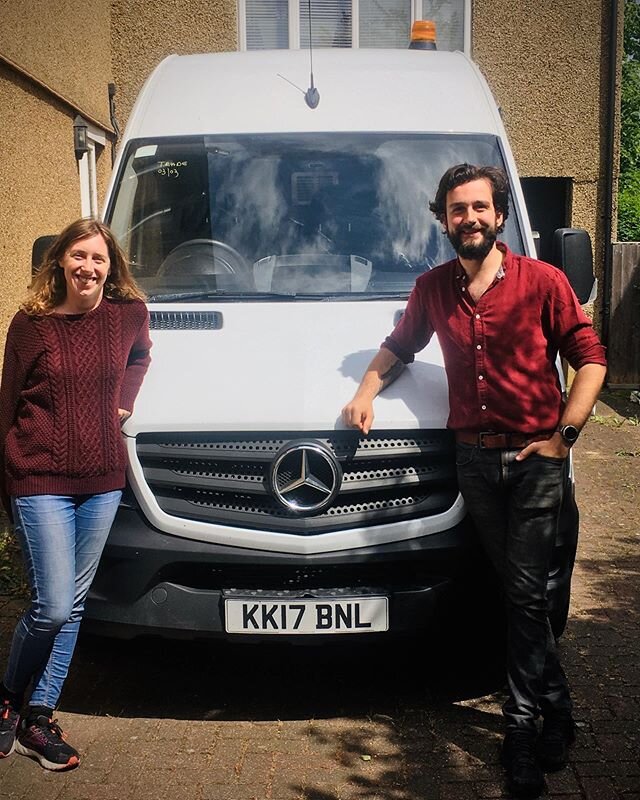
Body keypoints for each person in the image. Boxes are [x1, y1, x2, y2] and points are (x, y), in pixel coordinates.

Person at [341, 164, 606, 799]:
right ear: (444, 220)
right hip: (474, 464)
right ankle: (559, 712)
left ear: (499, 215)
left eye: (480, 208)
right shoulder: (433, 289)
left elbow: (590, 358)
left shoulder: (543, 281)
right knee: (521, 594)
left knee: (521, 594)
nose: (470, 219)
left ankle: (519, 732)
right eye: (457, 210)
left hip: (535, 460)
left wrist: (562, 437)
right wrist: (364, 391)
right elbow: (399, 345)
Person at [0, 218, 152, 771]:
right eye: (79, 256)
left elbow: (141, 356)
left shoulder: (128, 316)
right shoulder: (31, 326)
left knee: (75, 606)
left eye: (100, 259)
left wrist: (124, 403)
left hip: (102, 480)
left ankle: (38, 717)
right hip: (38, 478)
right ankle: (8, 698)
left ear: (112, 268)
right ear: (60, 261)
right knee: (52, 604)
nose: (89, 267)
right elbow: (8, 402)